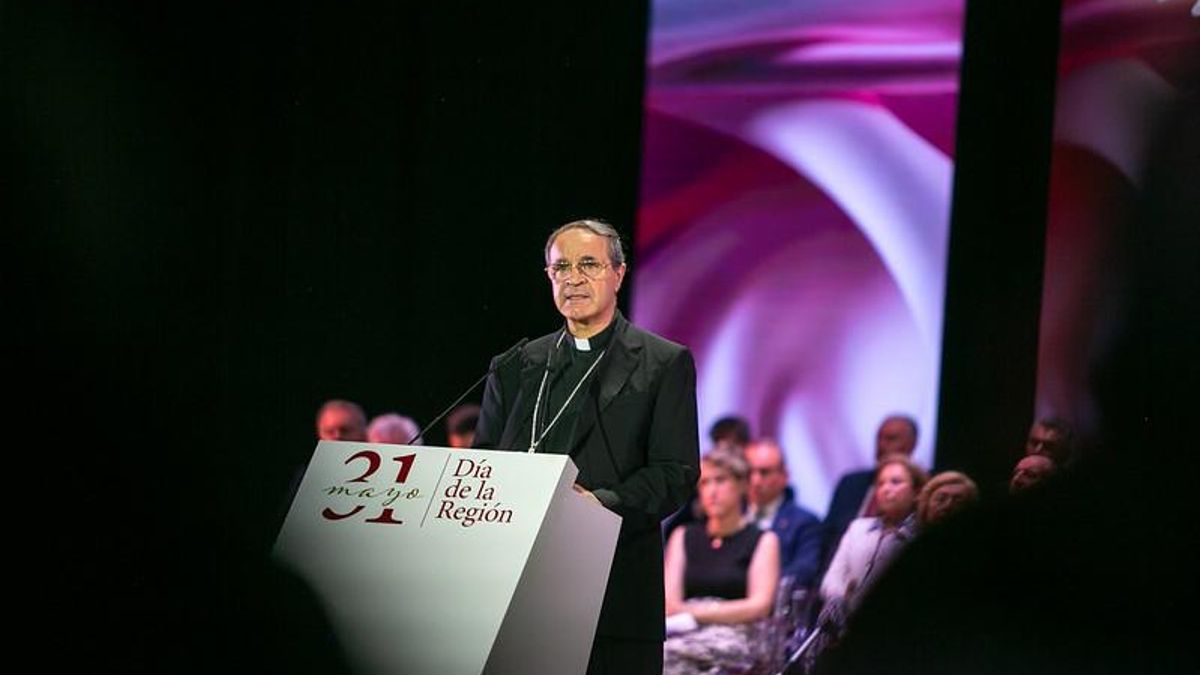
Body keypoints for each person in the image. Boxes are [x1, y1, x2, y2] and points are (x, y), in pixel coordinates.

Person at [474, 219, 700, 674]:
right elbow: (485, 464)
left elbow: (674, 472)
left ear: (619, 273)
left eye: (589, 264)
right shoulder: (517, 364)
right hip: (518, 593)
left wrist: (599, 505)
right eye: (562, 267)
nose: (573, 277)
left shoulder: (662, 362)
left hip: (615, 593)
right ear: (548, 277)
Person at [663, 447, 780, 675]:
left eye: (720, 480)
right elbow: (670, 603)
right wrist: (691, 613)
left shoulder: (763, 540)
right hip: (683, 631)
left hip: (736, 635)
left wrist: (696, 611)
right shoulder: (683, 536)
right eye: (705, 483)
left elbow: (759, 605)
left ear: (742, 485)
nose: (711, 491)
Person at [820, 415, 918, 571]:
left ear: (911, 444)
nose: (881, 445)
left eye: (891, 439)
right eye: (879, 438)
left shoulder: (922, 487)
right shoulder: (850, 484)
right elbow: (826, 538)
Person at [744, 439, 822, 590]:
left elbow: (803, 573)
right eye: (749, 472)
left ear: (784, 476)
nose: (755, 481)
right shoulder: (728, 516)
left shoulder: (805, 523)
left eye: (764, 472)